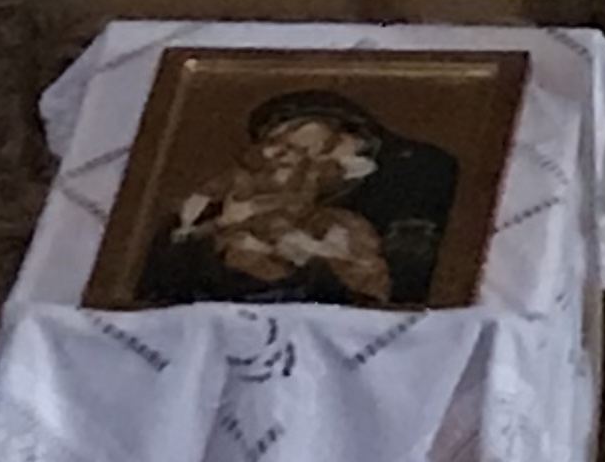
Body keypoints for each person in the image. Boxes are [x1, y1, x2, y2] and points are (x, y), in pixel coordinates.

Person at [135, 89, 464, 310]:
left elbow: (403, 276)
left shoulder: (408, 177)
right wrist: (212, 234)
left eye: (320, 147)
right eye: (279, 145)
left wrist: (315, 259)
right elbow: (169, 274)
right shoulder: (235, 194)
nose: (296, 158)